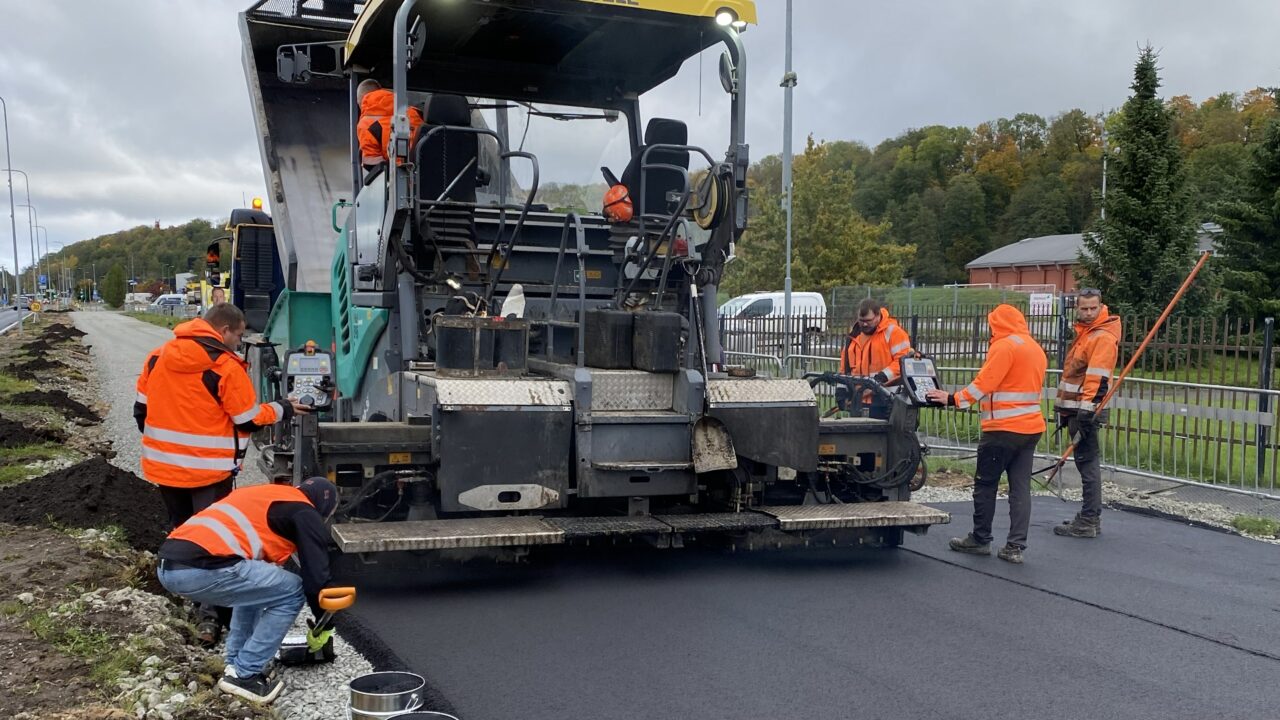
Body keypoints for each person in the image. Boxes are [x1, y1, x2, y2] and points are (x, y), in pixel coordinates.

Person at [133, 303, 309, 644]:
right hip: (210, 473)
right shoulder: (225, 366)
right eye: (239, 335)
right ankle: (211, 617)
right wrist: (284, 408)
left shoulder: (157, 357)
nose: (239, 342)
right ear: (224, 330)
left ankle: (199, 604)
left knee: (184, 533)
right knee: (215, 546)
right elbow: (246, 418)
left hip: (165, 468)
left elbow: (141, 410)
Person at [156, 477, 340, 704]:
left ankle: (235, 663)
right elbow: (316, 579)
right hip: (200, 567)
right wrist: (325, 624)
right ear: (323, 509)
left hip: (168, 566)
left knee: (257, 587)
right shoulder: (305, 512)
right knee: (293, 590)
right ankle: (245, 674)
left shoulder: (268, 495)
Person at [926, 304, 1047, 564]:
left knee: (985, 485)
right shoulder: (1034, 347)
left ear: (998, 324)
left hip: (1002, 429)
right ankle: (1015, 547)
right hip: (1031, 429)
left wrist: (951, 399)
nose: (990, 331)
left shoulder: (1004, 346)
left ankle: (980, 539)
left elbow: (984, 383)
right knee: (1020, 489)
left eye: (991, 325)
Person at [1053, 288, 1121, 538]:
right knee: (1086, 463)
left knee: (1087, 462)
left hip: (1086, 410)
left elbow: (1097, 378)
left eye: (1093, 308)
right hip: (1078, 408)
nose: (1089, 312)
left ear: (1101, 307)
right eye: (1084, 308)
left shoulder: (1100, 337)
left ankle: (1089, 519)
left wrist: (1087, 410)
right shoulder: (1086, 334)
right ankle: (1090, 517)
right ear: (1078, 308)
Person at [839, 299, 914, 419]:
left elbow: (903, 361)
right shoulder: (854, 336)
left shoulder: (893, 332)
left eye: (868, 321)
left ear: (878, 315)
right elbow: (845, 367)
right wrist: (841, 390)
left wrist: (883, 376)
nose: (864, 324)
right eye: (861, 320)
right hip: (859, 401)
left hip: (888, 399)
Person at [356, 79, 424, 170]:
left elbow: (372, 165)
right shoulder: (415, 112)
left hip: (398, 178)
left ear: (361, 100)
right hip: (427, 169)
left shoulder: (365, 124)